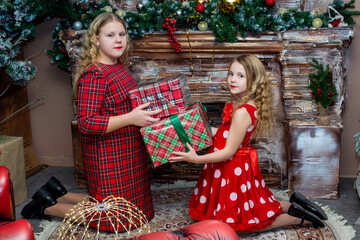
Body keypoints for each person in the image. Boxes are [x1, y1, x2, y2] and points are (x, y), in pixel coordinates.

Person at [21, 12, 161, 232]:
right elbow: (87, 123)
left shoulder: (119, 67)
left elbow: (125, 105)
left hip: (128, 149)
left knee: (138, 212)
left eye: (122, 34)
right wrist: (132, 118)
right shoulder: (95, 75)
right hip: (108, 153)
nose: (118, 40)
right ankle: (48, 206)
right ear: (96, 39)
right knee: (116, 219)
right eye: (110, 35)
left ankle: (61, 193)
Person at [169, 54, 327, 232]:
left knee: (246, 222)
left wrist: (195, 159)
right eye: (231, 74)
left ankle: (298, 218)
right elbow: (225, 133)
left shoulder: (242, 112)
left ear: (253, 80)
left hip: (231, 168)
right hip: (237, 165)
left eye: (240, 76)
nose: (232, 80)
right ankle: (293, 204)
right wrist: (194, 128)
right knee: (254, 206)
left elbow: (228, 151)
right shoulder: (244, 105)